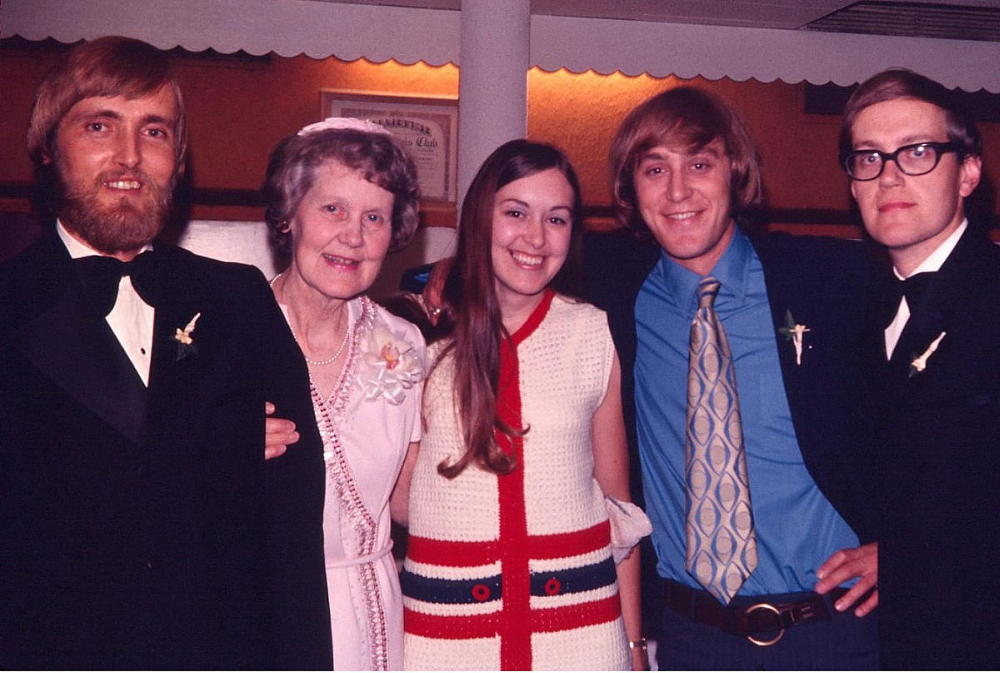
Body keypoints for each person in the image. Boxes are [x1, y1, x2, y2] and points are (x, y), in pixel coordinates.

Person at [0, 36, 326, 668]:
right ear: (47, 148)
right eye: (99, 125)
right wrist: (210, 446)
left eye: (154, 132)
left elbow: (288, 544)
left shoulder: (239, 302)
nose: (128, 156)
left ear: (177, 160)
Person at [584, 87, 880, 669]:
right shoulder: (612, 292)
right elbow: (507, 257)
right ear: (630, 188)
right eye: (654, 169)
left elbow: (946, 419)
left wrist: (910, 548)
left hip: (837, 633)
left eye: (699, 164)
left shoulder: (832, 278)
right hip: (694, 640)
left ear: (735, 173)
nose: (677, 192)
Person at [398, 140, 649, 670]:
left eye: (556, 219)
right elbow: (395, 497)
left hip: (581, 638)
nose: (535, 237)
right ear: (478, 218)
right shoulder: (416, 340)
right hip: (446, 639)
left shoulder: (592, 333)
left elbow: (617, 500)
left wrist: (633, 647)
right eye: (515, 213)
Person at [839, 69, 999, 670]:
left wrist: (906, 555)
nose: (890, 176)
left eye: (918, 152)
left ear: (969, 172)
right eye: (869, 158)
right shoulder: (847, 305)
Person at [263, 117, 425, 670]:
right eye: (332, 208)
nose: (352, 236)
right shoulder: (226, 332)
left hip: (375, 614)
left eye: (373, 217)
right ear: (289, 214)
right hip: (264, 613)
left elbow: (409, 503)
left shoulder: (404, 344)